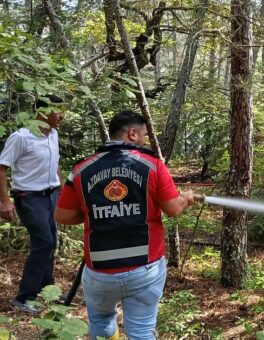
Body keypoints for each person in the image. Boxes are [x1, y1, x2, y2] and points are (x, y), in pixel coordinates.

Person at [55, 111, 194, 340]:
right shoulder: (152, 165)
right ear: (132, 133)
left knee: (101, 322)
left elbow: (63, 216)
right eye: (144, 135)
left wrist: (93, 213)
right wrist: (186, 198)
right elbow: (173, 209)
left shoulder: (81, 169)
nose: (145, 140)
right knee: (141, 331)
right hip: (144, 269)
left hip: (100, 271)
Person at [0, 95, 65, 314]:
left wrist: (62, 190)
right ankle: (24, 297)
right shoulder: (22, 137)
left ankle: (49, 290)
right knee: (44, 243)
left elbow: (55, 164)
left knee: (51, 241)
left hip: (51, 195)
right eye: (57, 111)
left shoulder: (53, 134)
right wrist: (4, 201)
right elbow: (2, 168)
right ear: (42, 113)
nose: (61, 116)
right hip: (29, 197)